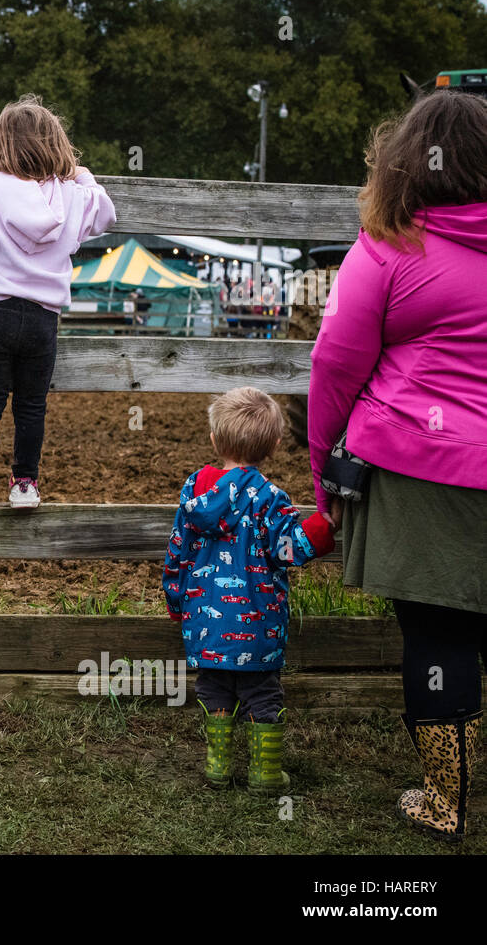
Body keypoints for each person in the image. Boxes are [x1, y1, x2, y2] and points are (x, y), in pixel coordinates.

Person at [308, 88, 487, 841]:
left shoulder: (389, 246)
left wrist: (326, 476)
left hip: (426, 469)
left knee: (439, 634)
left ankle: (447, 800)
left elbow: (334, 367)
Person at [0, 93, 116, 509]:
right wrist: (84, 177)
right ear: (56, 147)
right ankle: (25, 485)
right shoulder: (72, 197)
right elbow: (105, 213)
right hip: (43, 319)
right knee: (32, 405)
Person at [164, 387, 337, 791]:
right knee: (262, 692)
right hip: (259, 625)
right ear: (275, 445)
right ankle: (265, 774)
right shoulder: (270, 499)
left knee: (213, 689)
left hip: (203, 622)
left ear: (213, 439)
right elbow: (291, 548)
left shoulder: (194, 494)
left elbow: (177, 553)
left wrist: (177, 604)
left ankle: (218, 769)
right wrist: (327, 524)